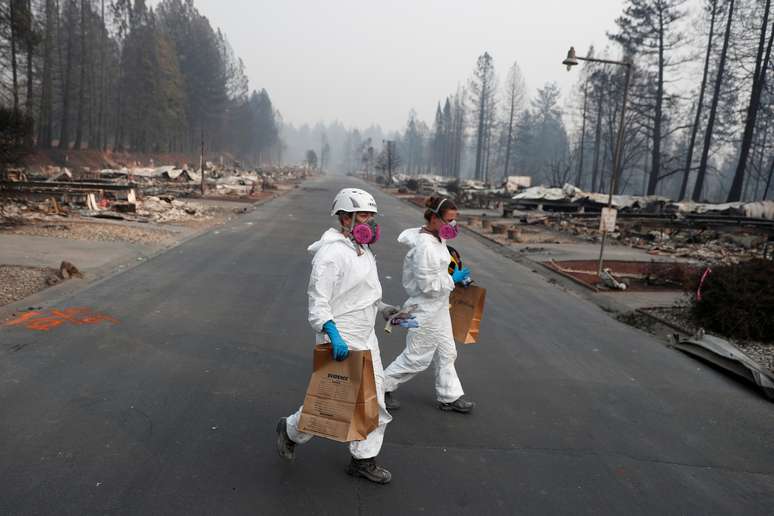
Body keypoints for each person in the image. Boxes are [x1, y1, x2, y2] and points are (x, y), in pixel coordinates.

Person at [275, 188, 405, 484]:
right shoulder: (331, 254)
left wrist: (385, 310)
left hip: (365, 335)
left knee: (373, 401)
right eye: (364, 216)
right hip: (341, 336)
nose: (370, 223)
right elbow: (318, 300)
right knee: (332, 404)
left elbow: (362, 294)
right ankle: (291, 430)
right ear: (345, 217)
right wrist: (331, 333)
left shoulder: (363, 250)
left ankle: (363, 459)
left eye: (372, 217)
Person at [382, 196, 475, 414]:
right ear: (434, 218)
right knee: (416, 358)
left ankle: (449, 396)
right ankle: (380, 387)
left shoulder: (436, 238)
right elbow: (427, 285)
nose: (453, 226)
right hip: (425, 308)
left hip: (439, 307)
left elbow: (437, 273)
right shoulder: (425, 245)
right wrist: (453, 279)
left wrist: (454, 276)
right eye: (449, 220)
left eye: (454, 220)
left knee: (447, 352)